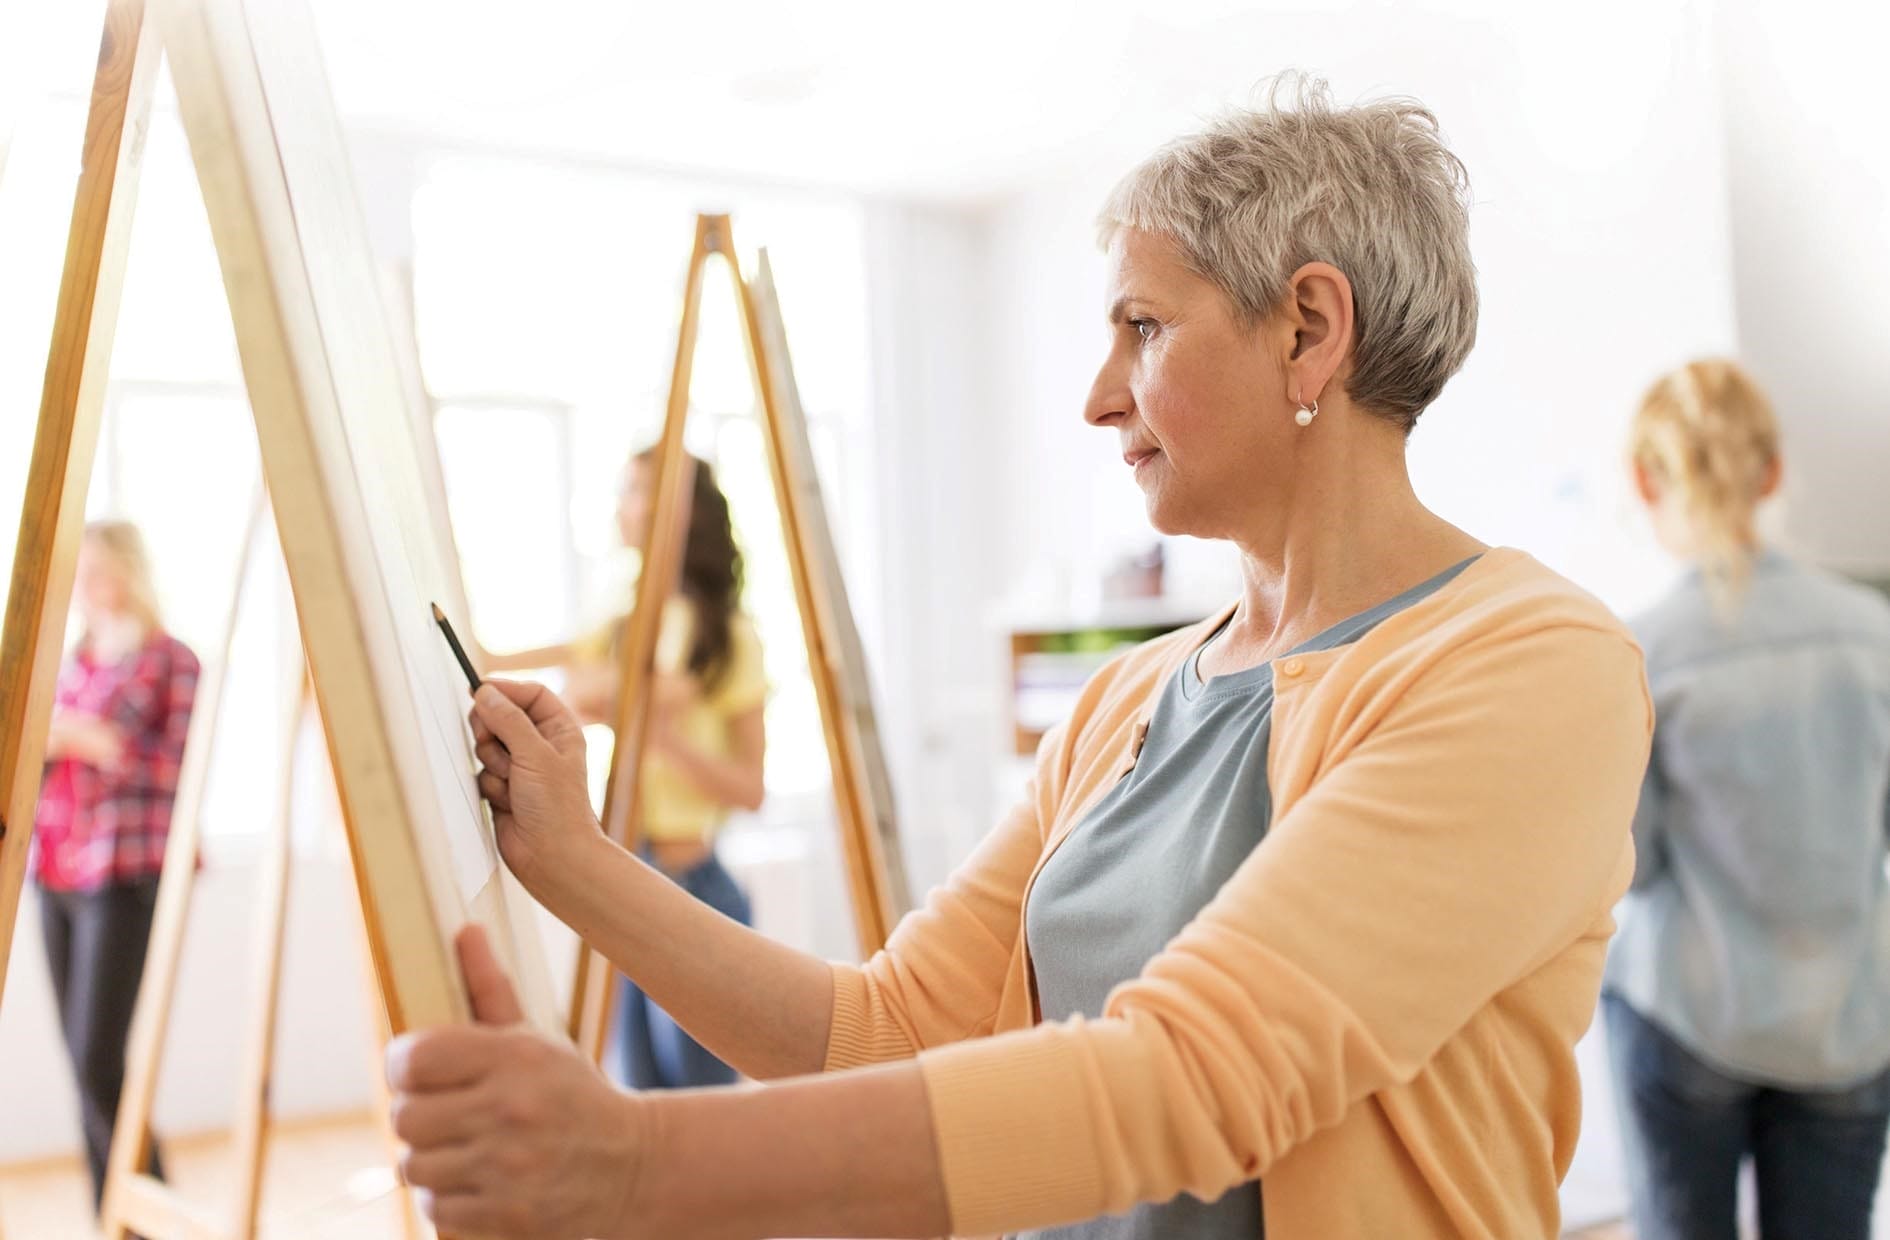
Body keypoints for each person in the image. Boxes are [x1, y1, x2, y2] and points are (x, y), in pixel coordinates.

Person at [385, 77, 1652, 1240]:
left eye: (1143, 326)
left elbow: (1200, 1072)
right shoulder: (1127, 696)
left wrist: (633, 1162)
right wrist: (569, 856)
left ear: (1310, 329)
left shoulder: (1535, 667)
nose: (1100, 397)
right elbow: (883, 1031)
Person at [1602, 360, 1890, 1240]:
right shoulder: (1874, 632)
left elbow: (1634, 864)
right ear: (1770, 472)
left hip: (1691, 1019)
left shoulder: (1641, 653)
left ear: (1646, 481)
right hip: (1848, 1019)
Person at [482, 448, 766, 1089]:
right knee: (638, 1103)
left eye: (636, 490)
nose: (622, 506)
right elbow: (569, 684)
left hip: (693, 883)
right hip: (626, 870)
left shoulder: (726, 635)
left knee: (703, 1110)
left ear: (681, 512)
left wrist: (659, 734)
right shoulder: (621, 619)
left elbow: (750, 789)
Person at [34, 520, 199, 1210]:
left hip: (125, 873)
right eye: (79, 571)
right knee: (82, 1064)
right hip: (55, 870)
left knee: (101, 1059)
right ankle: (113, 1215)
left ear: (131, 570)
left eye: (98, 569)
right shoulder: (68, 661)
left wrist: (85, 738)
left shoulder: (172, 660)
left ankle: (148, 1206)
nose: (86, 586)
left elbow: (175, 769)